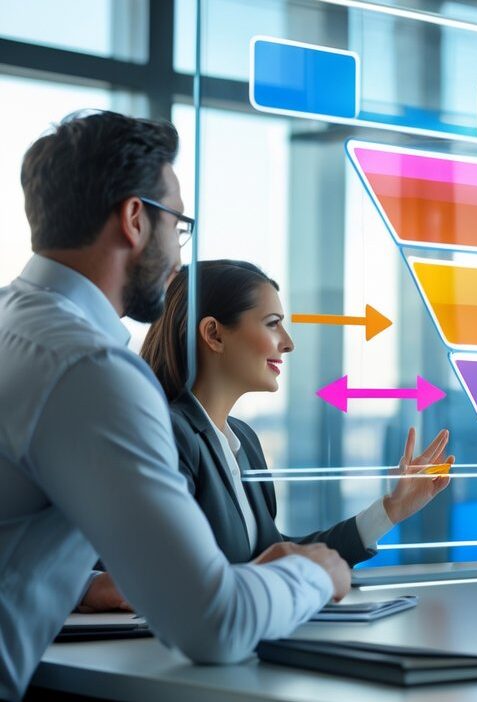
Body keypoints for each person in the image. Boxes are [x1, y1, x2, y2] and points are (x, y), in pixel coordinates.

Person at [0, 110, 349, 699]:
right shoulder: (91, 370)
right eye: (178, 225)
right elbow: (215, 624)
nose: (177, 253)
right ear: (135, 219)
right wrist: (314, 573)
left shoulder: (18, 329)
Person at [142, 260, 453, 566]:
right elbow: (177, 573)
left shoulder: (243, 440)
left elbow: (273, 555)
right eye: (272, 323)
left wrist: (391, 509)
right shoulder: (169, 434)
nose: (288, 343)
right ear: (214, 334)